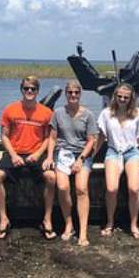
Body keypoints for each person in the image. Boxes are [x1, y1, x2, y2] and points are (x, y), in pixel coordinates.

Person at [0, 75, 56, 240]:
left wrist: (38, 154)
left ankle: (47, 219)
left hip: (35, 153)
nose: (29, 91)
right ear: (21, 90)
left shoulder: (47, 112)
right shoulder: (10, 109)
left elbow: (49, 138)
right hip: (14, 152)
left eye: (33, 89)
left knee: (51, 177)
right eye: (26, 88)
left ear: (37, 91)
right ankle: (4, 219)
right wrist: (13, 155)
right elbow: (4, 137)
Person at [43, 80, 97, 246]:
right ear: (66, 94)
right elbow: (52, 137)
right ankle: (69, 224)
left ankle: (83, 232)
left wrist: (80, 160)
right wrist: (50, 156)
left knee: (81, 188)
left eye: (76, 93)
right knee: (63, 187)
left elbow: (91, 141)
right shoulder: (58, 113)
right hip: (63, 153)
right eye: (70, 93)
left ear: (80, 94)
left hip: (82, 154)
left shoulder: (88, 115)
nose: (73, 95)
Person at [95, 82, 139, 239]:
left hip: (132, 152)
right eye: (119, 96)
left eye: (126, 97)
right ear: (115, 97)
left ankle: (133, 224)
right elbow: (101, 136)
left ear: (131, 98)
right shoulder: (106, 113)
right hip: (113, 151)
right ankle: (110, 222)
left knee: (134, 189)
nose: (122, 99)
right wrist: (92, 155)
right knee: (111, 189)